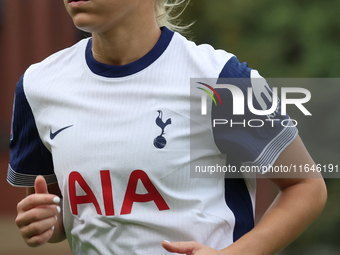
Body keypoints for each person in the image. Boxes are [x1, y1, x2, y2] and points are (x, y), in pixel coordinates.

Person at [7, 0, 327, 254]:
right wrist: (44, 222)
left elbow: (306, 186)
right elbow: (60, 215)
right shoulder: (39, 86)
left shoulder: (220, 79)